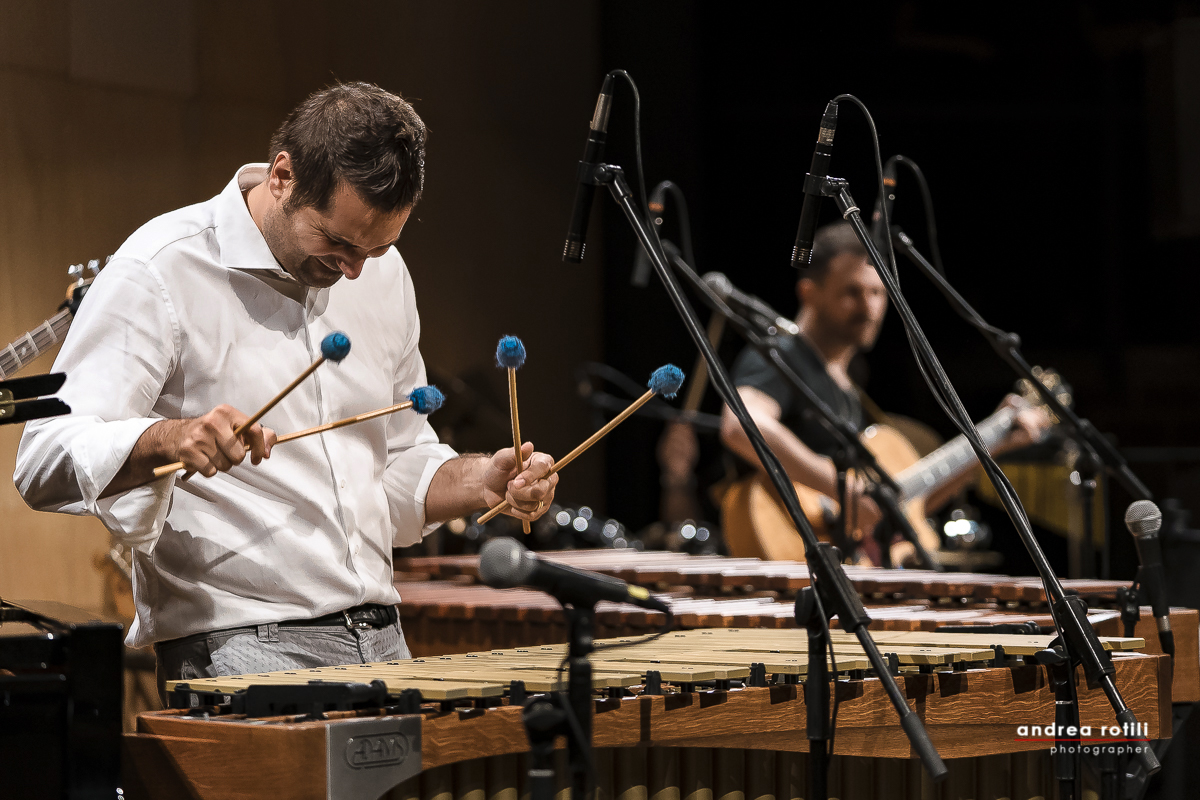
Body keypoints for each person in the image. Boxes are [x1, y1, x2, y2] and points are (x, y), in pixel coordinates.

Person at [14, 83, 558, 693]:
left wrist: (480, 482)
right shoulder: (160, 269)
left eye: (376, 250)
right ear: (282, 176)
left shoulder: (382, 276)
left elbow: (399, 458)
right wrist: (172, 437)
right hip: (240, 646)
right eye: (338, 242)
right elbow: (44, 457)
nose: (353, 270)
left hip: (383, 635)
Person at [719, 221, 1047, 564]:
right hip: (792, 551)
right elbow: (742, 425)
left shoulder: (848, 386)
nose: (869, 308)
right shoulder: (782, 355)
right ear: (808, 292)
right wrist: (839, 489)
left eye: (878, 293)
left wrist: (992, 445)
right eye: (852, 292)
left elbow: (906, 504)